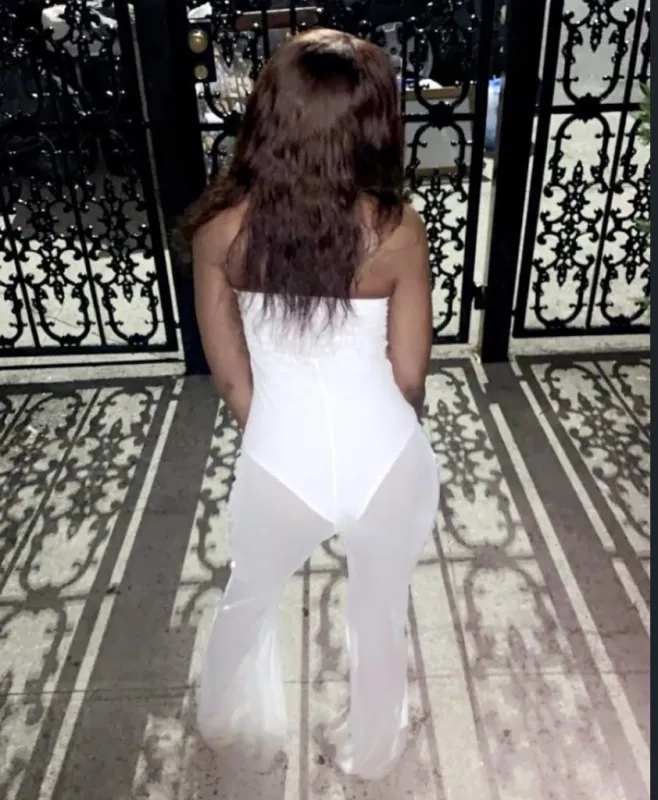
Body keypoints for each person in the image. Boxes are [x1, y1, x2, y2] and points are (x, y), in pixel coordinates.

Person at [178, 27, 440, 780]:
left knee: (248, 597)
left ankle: (227, 722)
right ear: (372, 126)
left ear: (268, 116)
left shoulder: (219, 231)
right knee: (379, 614)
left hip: (277, 461)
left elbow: (232, 379)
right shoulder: (396, 232)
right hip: (385, 461)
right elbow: (409, 375)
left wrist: (276, 441)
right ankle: (371, 751)